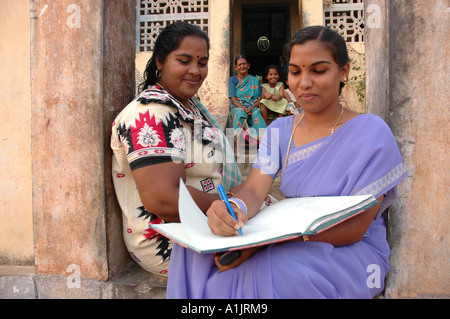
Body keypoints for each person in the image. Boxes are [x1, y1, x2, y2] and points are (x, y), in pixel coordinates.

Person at [166, 25, 408, 298]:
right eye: (295, 72)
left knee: (276, 270)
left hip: (348, 249)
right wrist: (233, 207)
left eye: (318, 70)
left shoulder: (370, 132)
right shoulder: (280, 131)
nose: (304, 83)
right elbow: (256, 188)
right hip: (288, 237)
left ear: (343, 70)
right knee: (192, 252)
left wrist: (270, 244)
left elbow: (355, 228)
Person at [111, 21, 242, 276]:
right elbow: (164, 198)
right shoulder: (149, 115)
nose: (195, 71)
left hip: (202, 218)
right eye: (184, 61)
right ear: (160, 61)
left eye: (202, 63)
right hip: (169, 240)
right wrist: (227, 203)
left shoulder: (185, 106)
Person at [228, 55, 267, 143]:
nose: (242, 66)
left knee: (257, 113)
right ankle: (236, 144)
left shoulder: (254, 80)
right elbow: (233, 99)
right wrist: (245, 109)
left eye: (244, 64)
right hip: (237, 108)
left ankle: (263, 142)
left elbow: (259, 99)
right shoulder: (232, 80)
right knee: (240, 113)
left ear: (248, 65)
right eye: (240, 64)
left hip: (252, 107)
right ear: (236, 67)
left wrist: (251, 108)